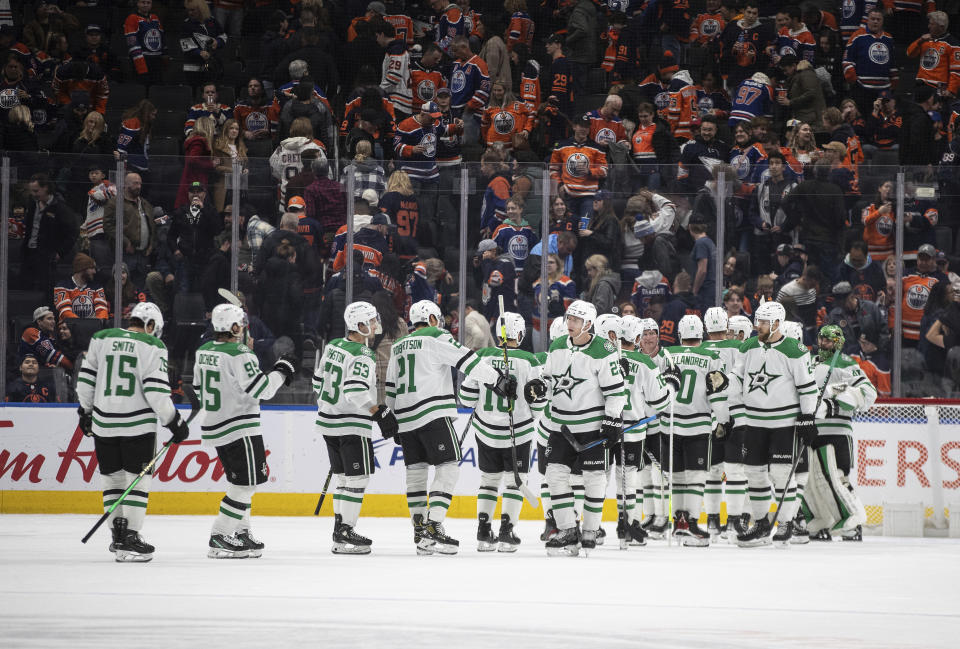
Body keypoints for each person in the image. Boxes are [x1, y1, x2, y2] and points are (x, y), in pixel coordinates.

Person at [385, 300, 514, 554]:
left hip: (405, 417)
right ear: (432, 319)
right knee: (449, 465)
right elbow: (468, 361)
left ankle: (421, 533)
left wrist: (393, 418)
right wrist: (498, 380)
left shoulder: (398, 345)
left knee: (416, 472)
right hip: (432, 413)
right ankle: (434, 525)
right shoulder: (436, 336)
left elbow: (391, 386)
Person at [75, 303, 189, 561]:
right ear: (150, 325)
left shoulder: (101, 338)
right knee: (138, 480)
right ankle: (131, 537)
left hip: (103, 423)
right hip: (137, 424)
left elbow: (85, 381)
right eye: (154, 330)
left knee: (112, 480)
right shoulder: (153, 346)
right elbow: (156, 391)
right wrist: (173, 422)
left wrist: (86, 412)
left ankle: (118, 537)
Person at [192, 303, 294, 558]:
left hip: (216, 426)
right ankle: (220, 535)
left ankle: (241, 531)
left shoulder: (203, 350)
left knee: (239, 482)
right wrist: (281, 371)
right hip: (239, 427)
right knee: (247, 484)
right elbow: (263, 390)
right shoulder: (240, 354)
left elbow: (196, 388)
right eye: (243, 326)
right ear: (235, 327)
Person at [533, 300, 629, 555]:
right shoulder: (556, 346)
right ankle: (567, 529)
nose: (569, 323)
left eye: (575, 320)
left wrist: (611, 419)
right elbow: (548, 380)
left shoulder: (603, 349)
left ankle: (590, 530)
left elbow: (617, 391)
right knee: (554, 474)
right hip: (560, 425)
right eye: (568, 318)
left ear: (588, 323)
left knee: (594, 477)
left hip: (592, 427)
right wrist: (539, 388)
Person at [313, 300, 398, 554]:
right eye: (370, 321)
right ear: (358, 325)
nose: (375, 325)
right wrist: (379, 411)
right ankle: (346, 530)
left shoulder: (332, 346)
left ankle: (340, 531)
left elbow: (318, 382)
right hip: (351, 425)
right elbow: (355, 390)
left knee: (343, 479)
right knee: (358, 479)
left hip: (328, 422)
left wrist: (331, 406)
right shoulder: (364, 354)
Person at [732, 301, 818, 547]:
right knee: (754, 474)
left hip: (784, 423)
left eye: (763, 322)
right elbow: (738, 378)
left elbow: (807, 388)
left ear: (777, 323)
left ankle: (785, 523)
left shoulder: (795, 349)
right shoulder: (748, 346)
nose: (758, 325)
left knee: (781, 474)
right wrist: (723, 382)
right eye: (757, 321)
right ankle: (760, 524)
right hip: (755, 421)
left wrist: (807, 417)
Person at [459, 312, 544, 552]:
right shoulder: (529, 360)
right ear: (520, 333)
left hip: (485, 431)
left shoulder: (482, 356)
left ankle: (483, 532)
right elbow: (538, 405)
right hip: (518, 432)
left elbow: (465, 398)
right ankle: (507, 530)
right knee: (516, 481)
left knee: (488, 481)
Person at [802, 325, 877, 541]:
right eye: (821, 339)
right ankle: (820, 521)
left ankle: (852, 524)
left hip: (837, 429)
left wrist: (832, 395)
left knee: (838, 478)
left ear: (838, 342)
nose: (824, 343)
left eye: (829, 340)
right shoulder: (809, 362)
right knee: (812, 480)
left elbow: (868, 393)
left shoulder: (847, 363)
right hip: (812, 429)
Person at [661, 315, 729, 546]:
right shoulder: (711, 356)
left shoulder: (667, 355)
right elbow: (717, 392)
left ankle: (678, 521)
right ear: (702, 335)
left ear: (680, 335)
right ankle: (689, 522)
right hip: (698, 423)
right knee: (696, 476)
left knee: (677, 477)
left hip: (669, 423)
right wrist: (724, 420)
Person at [615, 315, 672, 545]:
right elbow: (661, 403)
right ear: (637, 338)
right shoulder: (646, 363)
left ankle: (611, 524)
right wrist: (671, 385)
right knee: (629, 477)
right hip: (634, 430)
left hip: (608, 428)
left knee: (608, 479)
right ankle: (629, 524)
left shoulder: (608, 358)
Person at [699, 307, 748, 539]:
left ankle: (711, 521)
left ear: (706, 326)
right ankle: (735, 522)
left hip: (708, 417)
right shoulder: (741, 347)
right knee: (735, 470)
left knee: (712, 471)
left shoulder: (698, 350)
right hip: (738, 414)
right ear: (727, 326)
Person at [20, 173, 80, 295]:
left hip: (47, 254)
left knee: (45, 288)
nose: (34, 194)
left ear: (45, 188)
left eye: (36, 191)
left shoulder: (60, 208)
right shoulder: (32, 204)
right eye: (32, 191)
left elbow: (72, 232)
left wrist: (60, 252)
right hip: (29, 252)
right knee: (25, 287)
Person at [549, 113, 608, 226]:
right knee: (569, 228)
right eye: (581, 126)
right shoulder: (561, 146)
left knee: (585, 228)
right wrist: (560, 185)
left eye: (586, 126)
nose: (584, 129)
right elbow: (553, 169)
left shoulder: (597, 148)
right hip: (568, 195)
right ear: (574, 127)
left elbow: (604, 170)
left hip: (589, 197)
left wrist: (590, 171)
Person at [54, 252, 109, 320]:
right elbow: (65, 312)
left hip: (92, 327)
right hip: (69, 328)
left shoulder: (97, 287)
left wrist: (96, 323)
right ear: (82, 268)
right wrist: (81, 325)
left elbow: (102, 310)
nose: (94, 272)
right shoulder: (62, 287)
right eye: (92, 268)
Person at [123, 0, 166, 86]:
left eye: (148, 3)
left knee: (157, 91)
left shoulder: (155, 18)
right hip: (142, 60)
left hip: (156, 61)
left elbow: (162, 39)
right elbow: (132, 45)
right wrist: (141, 67)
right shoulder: (132, 18)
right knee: (141, 91)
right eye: (143, 2)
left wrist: (165, 55)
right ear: (137, 3)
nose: (145, 5)